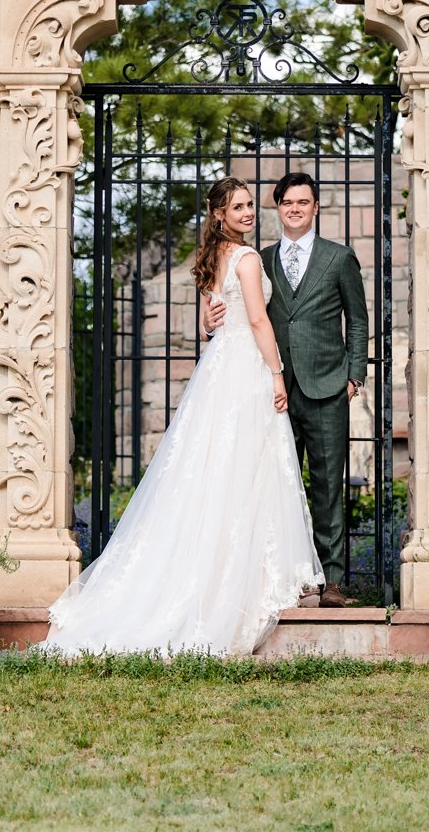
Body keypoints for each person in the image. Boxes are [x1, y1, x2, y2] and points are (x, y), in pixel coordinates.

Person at [40, 176, 322, 657]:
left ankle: (218, 569)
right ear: (219, 215)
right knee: (246, 468)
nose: (249, 213)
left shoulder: (212, 259)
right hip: (246, 369)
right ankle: (242, 576)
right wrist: (276, 374)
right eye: (238, 207)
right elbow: (257, 320)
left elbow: (208, 322)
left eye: (251, 205)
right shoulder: (249, 259)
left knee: (213, 469)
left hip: (218, 369)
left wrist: (213, 328)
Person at [203, 172, 369, 607]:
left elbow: (358, 318)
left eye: (303, 201)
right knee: (272, 486)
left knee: (328, 485)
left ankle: (331, 583)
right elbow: (238, 313)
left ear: (316, 208)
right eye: (286, 202)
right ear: (278, 208)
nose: (294, 208)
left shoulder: (339, 257)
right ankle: (282, 580)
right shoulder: (259, 256)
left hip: (327, 385)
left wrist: (355, 374)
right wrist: (209, 324)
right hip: (268, 389)